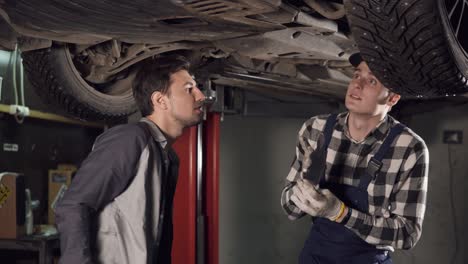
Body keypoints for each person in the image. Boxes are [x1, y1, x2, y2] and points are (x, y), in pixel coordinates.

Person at [55, 55, 206, 264]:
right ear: (160, 100)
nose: (201, 96)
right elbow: (74, 204)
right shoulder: (131, 139)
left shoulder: (167, 156)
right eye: (189, 89)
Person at [281, 53, 429, 264]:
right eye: (356, 75)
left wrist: (339, 212)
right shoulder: (316, 129)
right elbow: (290, 210)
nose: (357, 84)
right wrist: (307, 185)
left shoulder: (409, 147)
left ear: (392, 98)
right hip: (315, 257)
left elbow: (407, 234)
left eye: (371, 81)